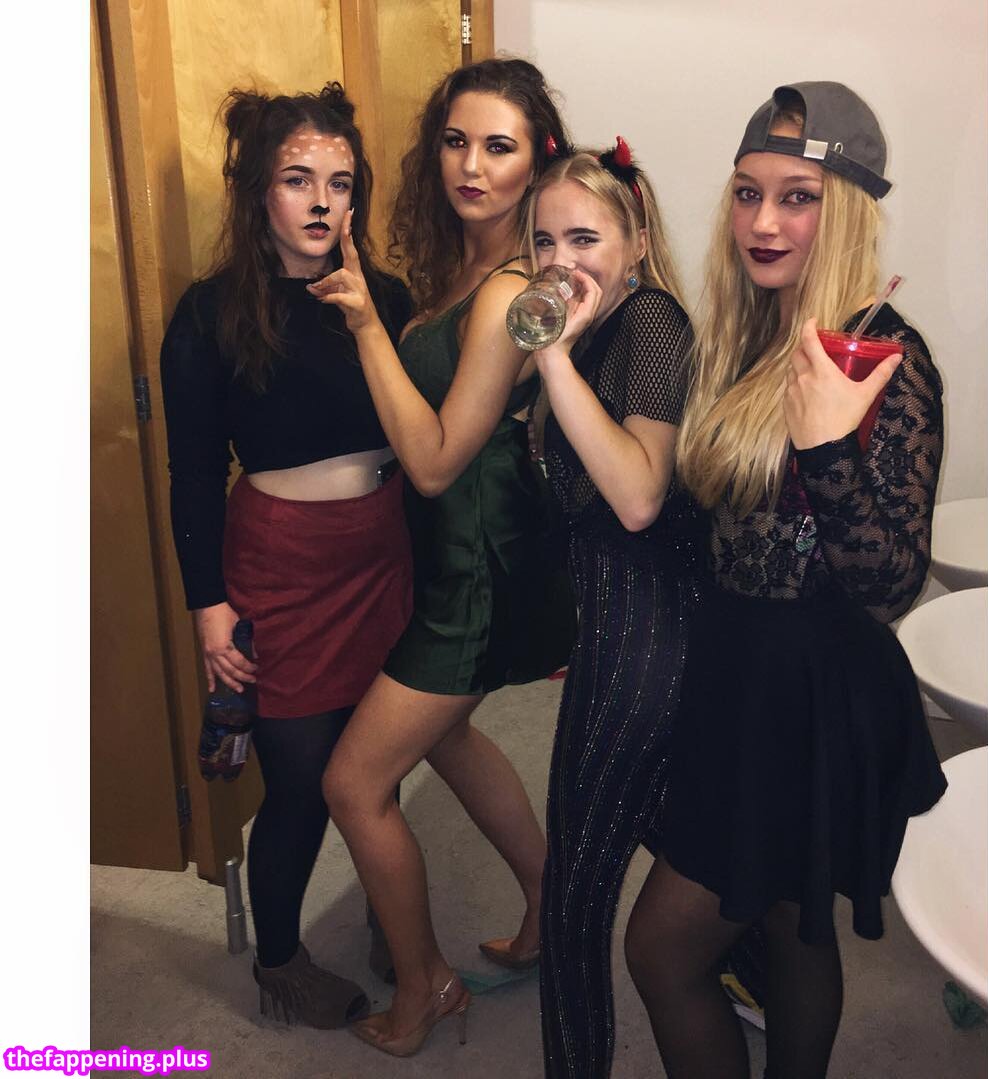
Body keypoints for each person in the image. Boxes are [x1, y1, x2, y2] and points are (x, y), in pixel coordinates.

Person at [624, 82, 948, 1079]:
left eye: (798, 197)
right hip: (740, 672)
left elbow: (890, 583)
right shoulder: (749, 330)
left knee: (662, 950)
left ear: (843, 210)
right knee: (789, 920)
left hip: (811, 692)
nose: (764, 222)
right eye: (748, 193)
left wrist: (829, 446)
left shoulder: (884, 355)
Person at [311, 58, 576, 1057]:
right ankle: (553, 896)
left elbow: (431, 461)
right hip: (452, 559)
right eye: (456, 141)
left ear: (536, 161)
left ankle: (424, 985)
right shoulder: (469, 265)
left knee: (353, 782)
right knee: (450, 737)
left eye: (498, 146)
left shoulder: (508, 290)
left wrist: (366, 324)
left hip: (473, 570)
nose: (471, 165)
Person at [159, 83, 414, 1028]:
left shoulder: (384, 296)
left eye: (340, 183)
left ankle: (393, 910)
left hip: (382, 553)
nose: (321, 202)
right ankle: (279, 960)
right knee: (303, 780)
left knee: (380, 761)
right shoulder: (209, 314)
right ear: (257, 191)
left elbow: (421, 437)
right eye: (297, 179)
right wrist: (209, 605)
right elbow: (194, 473)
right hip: (282, 566)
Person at [519, 141, 698, 1078]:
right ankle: (744, 970)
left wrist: (551, 361)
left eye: (584, 238)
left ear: (636, 241)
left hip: (643, 645)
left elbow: (636, 497)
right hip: (624, 633)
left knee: (574, 897)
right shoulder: (588, 330)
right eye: (544, 241)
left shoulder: (652, 320)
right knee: (675, 833)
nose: (562, 260)